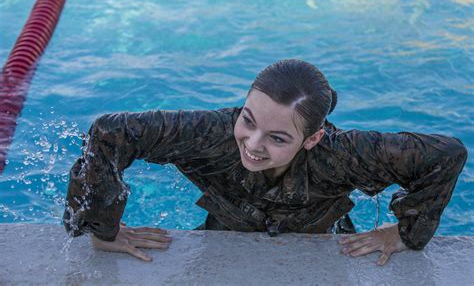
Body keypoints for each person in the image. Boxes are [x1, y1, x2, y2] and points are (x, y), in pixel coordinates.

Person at [63, 59, 468, 265]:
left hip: (324, 240)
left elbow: (446, 154)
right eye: (248, 120)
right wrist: (104, 226)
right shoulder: (208, 133)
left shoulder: (344, 155)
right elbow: (108, 133)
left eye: (277, 138)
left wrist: (406, 232)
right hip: (226, 230)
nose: (252, 145)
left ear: (313, 138)